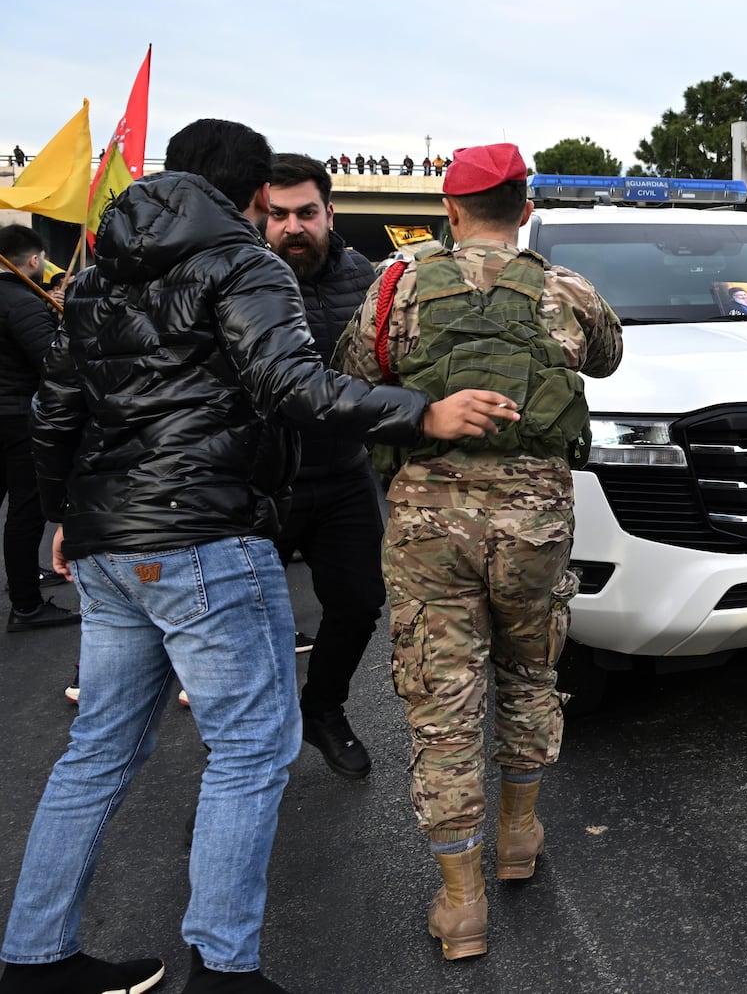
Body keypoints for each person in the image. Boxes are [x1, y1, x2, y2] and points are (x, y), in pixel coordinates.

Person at [3, 119, 520, 993]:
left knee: (96, 750)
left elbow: (57, 407)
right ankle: (224, 967)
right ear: (248, 195)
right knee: (250, 750)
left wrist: (64, 514)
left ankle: (33, 956)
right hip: (203, 535)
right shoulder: (245, 263)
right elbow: (295, 385)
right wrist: (421, 411)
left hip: (107, 541)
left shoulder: (97, 274)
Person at [338, 142, 623, 961]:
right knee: (531, 673)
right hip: (535, 519)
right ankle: (520, 836)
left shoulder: (393, 288)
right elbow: (607, 356)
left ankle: (461, 907)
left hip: (429, 521)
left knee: (443, 702)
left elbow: (357, 377)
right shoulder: (565, 288)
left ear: (450, 208)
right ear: (525, 207)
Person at [262, 153, 388, 779]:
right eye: (278, 214)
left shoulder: (363, 276)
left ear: (329, 213)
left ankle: (323, 708)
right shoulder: (237, 278)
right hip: (258, 483)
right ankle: (241, 762)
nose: (293, 227)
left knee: (361, 602)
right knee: (249, 626)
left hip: (341, 474)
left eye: (306, 213)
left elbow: (382, 368)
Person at [0, 226, 76, 634]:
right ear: (33, 260)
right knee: (26, 513)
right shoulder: (22, 302)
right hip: (16, 419)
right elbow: (53, 361)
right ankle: (26, 605)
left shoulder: (23, 301)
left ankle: (24, 575)